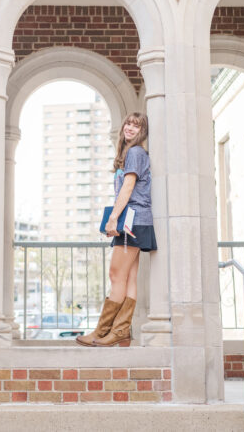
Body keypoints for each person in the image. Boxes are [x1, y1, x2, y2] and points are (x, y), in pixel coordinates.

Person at [76, 112, 156, 347]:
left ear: (142, 131)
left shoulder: (135, 152)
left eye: (136, 125)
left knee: (115, 275)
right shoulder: (134, 154)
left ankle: (102, 332)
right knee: (129, 277)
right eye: (128, 124)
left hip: (131, 220)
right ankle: (120, 332)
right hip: (139, 220)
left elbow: (129, 186)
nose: (130, 128)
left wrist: (113, 218)